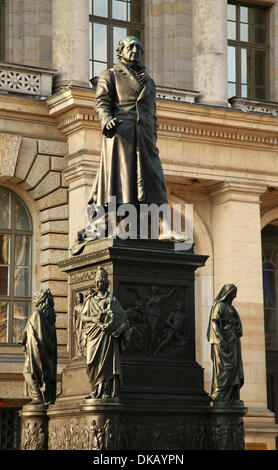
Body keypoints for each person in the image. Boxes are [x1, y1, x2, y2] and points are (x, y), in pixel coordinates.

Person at [88, 35, 168, 211]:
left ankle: (162, 225)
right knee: (124, 180)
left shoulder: (149, 82)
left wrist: (152, 134)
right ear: (120, 51)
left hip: (145, 137)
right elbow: (101, 102)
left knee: (156, 180)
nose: (135, 51)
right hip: (122, 134)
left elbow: (152, 113)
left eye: (138, 48)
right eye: (131, 47)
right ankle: (120, 219)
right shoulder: (110, 75)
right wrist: (106, 120)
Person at [81, 267, 130, 399]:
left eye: (101, 281)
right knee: (90, 362)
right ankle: (94, 389)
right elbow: (83, 316)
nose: (98, 284)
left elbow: (123, 318)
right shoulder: (90, 300)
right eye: (96, 281)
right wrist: (93, 319)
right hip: (93, 334)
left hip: (107, 336)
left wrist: (118, 329)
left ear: (106, 283)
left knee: (107, 364)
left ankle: (105, 391)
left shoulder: (112, 300)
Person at [207, 284, 244, 404]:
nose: (235, 295)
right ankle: (220, 393)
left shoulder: (232, 308)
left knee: (234, 367)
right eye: (234, 293)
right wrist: (221, 338)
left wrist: (236, 323)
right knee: (224, 367)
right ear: (228, 293)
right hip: (224, 341)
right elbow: (214, 323)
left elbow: (239, 325)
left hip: (233, 341)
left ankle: (231, 396)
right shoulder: (219, 306)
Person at [20, 288, 57, 405]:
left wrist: (22, 339)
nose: (34, 299)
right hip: (46, 351)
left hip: (36, 350)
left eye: (37, 297)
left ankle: (37, 397)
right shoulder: (49, 315)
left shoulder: (37, 313)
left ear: (41, 299)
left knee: (27, 371)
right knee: (34, 373)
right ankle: (41, 396)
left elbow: (30, 331)